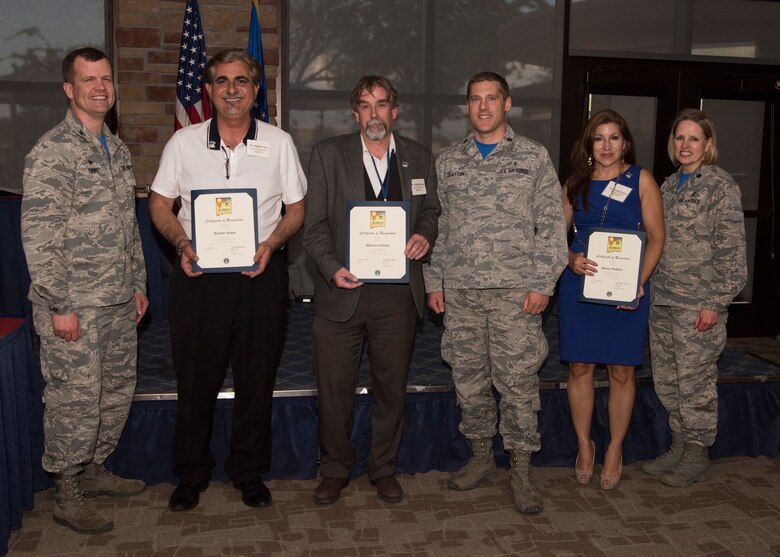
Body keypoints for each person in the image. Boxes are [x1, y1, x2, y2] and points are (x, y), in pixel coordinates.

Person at [148, 48, 307, 511]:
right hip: (198, 276)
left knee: (257, 380)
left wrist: (272, 244)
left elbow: (296, 209)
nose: (232, 89)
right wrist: (181, 244)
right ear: (209, 91)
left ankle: (247, 470)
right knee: (195, 380)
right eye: (221, 81)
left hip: (260, 274)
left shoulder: (279, 142)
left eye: (241, 81)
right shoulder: (184, 143)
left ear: (256, 91)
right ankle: (192, 473)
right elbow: (159, 203)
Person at [424, 71, 567, 514]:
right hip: (462, 292)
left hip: (515, 295)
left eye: (491, 99)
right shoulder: (449, 161)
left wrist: (543, 284)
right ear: (467, 106)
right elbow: (439, 227)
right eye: (474, 99)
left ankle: (521, 468)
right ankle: (482, 457)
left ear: (507, 104)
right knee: (468, 381)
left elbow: (552, 225)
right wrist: (434, 281)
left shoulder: (533, 157)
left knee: (518, 383)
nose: (482, 107)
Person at [21, 47, 149, 535]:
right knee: (74, 398)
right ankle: (67, 492)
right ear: (69, 89)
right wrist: (58, 305)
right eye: (88, 80)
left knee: (112, 393)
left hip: (117, 300)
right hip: (74, 305)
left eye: (106, 79)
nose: (100, 87)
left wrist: (138, 284)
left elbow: (127, 226)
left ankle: (94, 469)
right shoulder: (54, 151)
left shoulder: (115, 148)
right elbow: (40, 235)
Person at [303, 75, 439, 505]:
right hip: (342, 290)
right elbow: (314, 227)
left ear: (394, 111)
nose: (374, 113)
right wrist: (331, 269)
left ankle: (383, 468)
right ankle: (335, 469)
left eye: (382, 105)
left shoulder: (418, 157)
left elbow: (432, 211)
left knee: (390, 388)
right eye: (365, 105)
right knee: (335, 390)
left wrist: (424, 235)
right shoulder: (328, 155)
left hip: (397, 296)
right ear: (355, 112)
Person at [559, 109, 665, 490]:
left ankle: (615, 449)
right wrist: (569, 259)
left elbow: (656, 237)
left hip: (628, 287)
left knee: (622, 371)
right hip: (580, 289)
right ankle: (584, 445)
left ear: (625, 143)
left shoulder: (642, 180)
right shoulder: (574, 182)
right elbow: (556, 237)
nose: (606, 146)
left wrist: (638, 281)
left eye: (614, 138)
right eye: (599, 138)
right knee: (580, 368)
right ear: (590, 144)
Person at [644, 109, 746, 487]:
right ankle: (679, 445)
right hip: (664, 301)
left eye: (693, 139)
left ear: (708, 144)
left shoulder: (720, 187)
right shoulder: (668, 186)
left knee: (695, 383)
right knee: (669, 382)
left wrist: (714, 304)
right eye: (679, 138)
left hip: (697, 305)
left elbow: (732, 254)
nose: (685, 145)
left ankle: (697, 453)